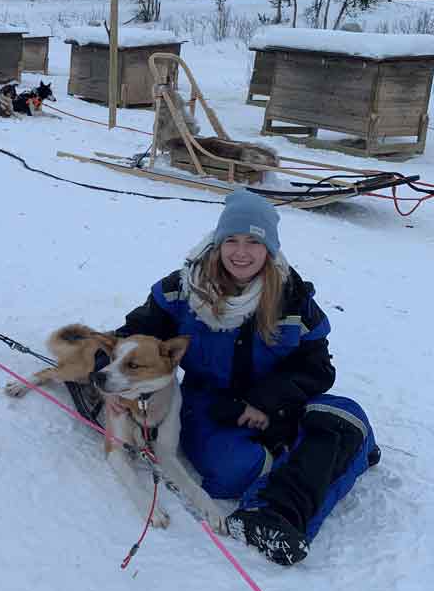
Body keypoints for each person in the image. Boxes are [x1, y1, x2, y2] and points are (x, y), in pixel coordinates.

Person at [114, 188, 379, 565]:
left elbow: (318, 366)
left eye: (254, 242)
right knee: (236, 472)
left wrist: (267, 401)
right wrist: (107, 379)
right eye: (232, 241)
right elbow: (132, 335)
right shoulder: (181, 290)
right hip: (211, 402)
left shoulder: (293, 298)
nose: (241, 252)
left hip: (281, 401)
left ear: (269, 248)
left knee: (347, 414)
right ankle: (331, 458)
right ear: (217, 243)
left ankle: (277, 512)